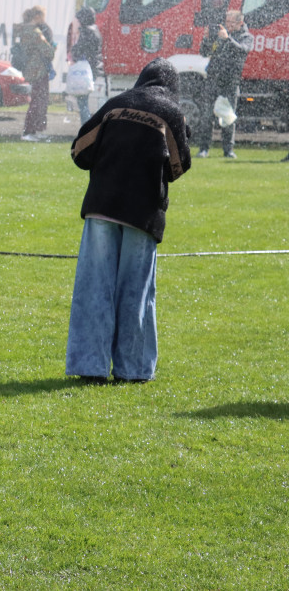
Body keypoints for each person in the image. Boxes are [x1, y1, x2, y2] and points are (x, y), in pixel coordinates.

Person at [66, 58, 192, 383]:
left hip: (101, 207)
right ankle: (132, 370)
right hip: (143, 213)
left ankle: (89, 367)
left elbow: (79, 150)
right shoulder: (171, 112)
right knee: (136, 291)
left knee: (95, 286)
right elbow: (180, 166)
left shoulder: (116, 103)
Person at [197, 9, 253, 158]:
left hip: (231, 82)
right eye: (226, 21)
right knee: (207, 116)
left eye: (231, 22)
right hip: (213, 79)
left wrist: (227, 39)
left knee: (228, 116)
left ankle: (228, 150)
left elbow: (242, 51)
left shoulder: (246, 37)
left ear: (240, 23)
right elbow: (204, 52)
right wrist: (207, 39)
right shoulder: (219, 36)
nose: (227, 25)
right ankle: (204, 149)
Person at [18, 5, 56, 141]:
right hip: (38, 71)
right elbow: (49, 52)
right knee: (39, 101)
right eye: (43, 17)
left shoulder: (23, 30)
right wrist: (54, 47)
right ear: (37, 16)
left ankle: (34, 131)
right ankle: (29, 131)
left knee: (37, 100)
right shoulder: (35, 32)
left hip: (30, 70)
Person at [68, 6, 103, 125]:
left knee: (82, 102)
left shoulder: (86, 31)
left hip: (86, 70)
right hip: (93, 68)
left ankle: (86, 127)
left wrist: (73, 51)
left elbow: (78, 51)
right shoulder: (95, 29)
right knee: (84, 100)